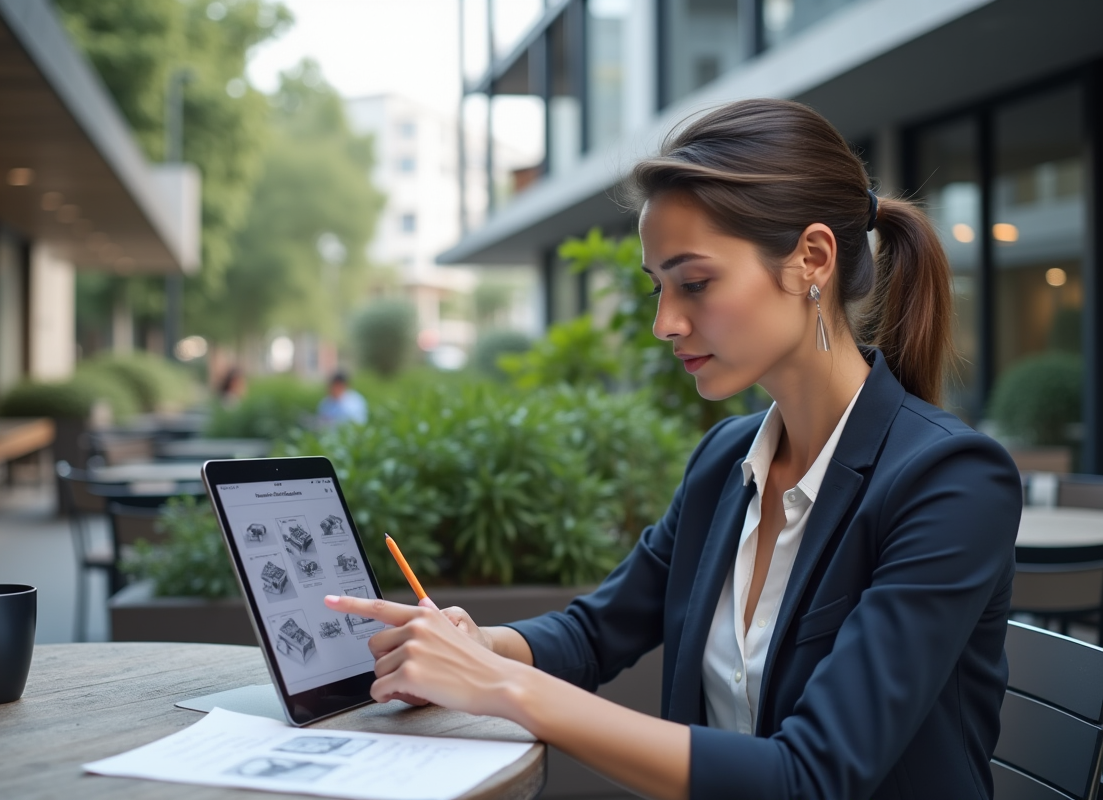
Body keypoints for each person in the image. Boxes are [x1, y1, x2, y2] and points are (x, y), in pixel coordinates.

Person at [324, 99, 1022, 800]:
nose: (665, 322)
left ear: (812, 259)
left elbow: (811, 777)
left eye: (695, 283)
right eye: (658, 287)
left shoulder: (951, 483)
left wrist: (503, 687)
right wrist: (477, 645)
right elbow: (593, 634)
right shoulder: (727, 460)